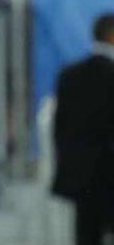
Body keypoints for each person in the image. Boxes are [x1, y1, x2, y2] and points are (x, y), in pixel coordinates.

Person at [52, 14, 114, 245]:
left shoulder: (69, 76)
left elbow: (59, 130)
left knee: (86, 236)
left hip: (82, 179)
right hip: (109, 176)